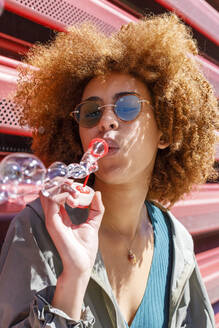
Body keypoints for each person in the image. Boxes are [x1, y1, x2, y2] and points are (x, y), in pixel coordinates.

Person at [0, 13, 218, 328]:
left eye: (127, 106)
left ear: (166, 132)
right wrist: (72, 279)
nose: (107, 121)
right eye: (90, 112)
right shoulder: (39, 228)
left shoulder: (176, 241)